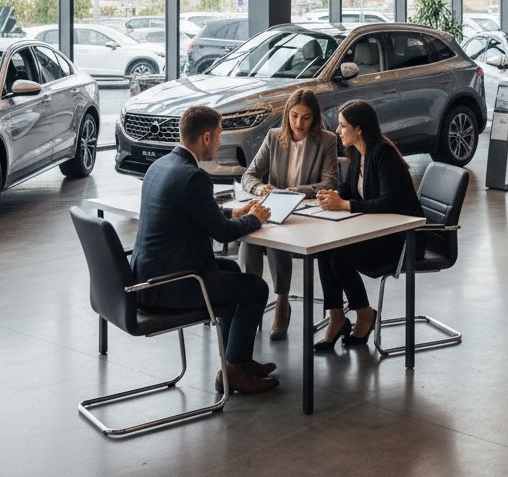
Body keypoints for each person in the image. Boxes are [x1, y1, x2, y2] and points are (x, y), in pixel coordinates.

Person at [129, 104, 279, 395]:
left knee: (233, 270)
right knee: (256, 289)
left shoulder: (161, 166)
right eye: (220, 135)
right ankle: (233, 371)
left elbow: (196, 213)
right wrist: (255, 218)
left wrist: (235, 214)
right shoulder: (193, 176)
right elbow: (222, 234)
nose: (221, 141)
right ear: (206, 137)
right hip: (173, 285)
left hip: (149, 276)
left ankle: (236, 360)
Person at [312, 99, 424, 353]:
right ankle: (337, 317)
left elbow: (390, 201)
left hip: (402, 240)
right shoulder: (357, 152)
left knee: (340, 258)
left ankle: (364, 314)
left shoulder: (382, 153)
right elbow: (351, 190)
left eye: (342, 126)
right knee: (325, 251)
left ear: (359, 129)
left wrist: (344, 206)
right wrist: (331, 196)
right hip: (379, 232)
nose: (338, 131)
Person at [239, 88, 339, 340]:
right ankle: (249, 297)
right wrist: (260, 187)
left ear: (314, 118)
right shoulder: (274, 137)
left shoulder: (326, 140)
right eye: (294, 116)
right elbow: (249, 175)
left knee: (276, 237)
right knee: (249, 233)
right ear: (287, 115)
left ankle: (281, 300)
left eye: (306, 117)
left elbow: (330, 182)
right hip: (276, 209)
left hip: (308, 216)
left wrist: (295, 191)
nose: (299, 123)